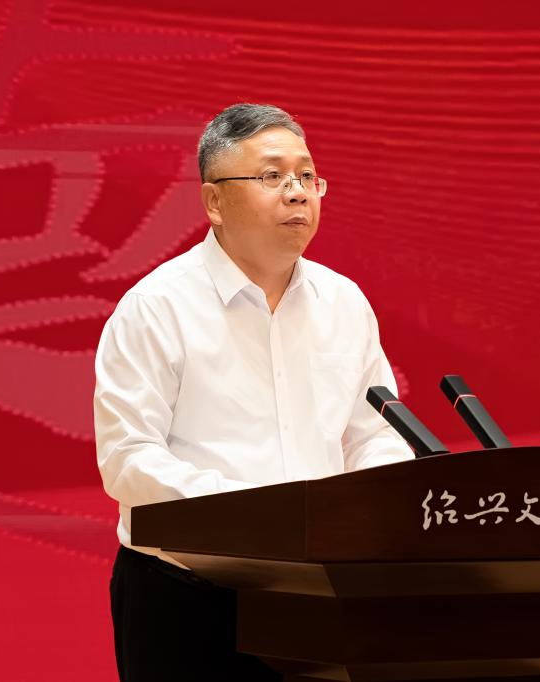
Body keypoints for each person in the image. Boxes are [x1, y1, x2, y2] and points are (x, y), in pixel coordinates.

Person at [93, 103, 414, 682]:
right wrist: (255, 518)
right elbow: (129, 459)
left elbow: (377, 433)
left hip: (321, 589)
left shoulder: (344, 303)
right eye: (272, 176)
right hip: (188, 597)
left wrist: (369, 509)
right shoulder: (156, 307)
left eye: (307, 176)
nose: (297, 193)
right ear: (214, 202)